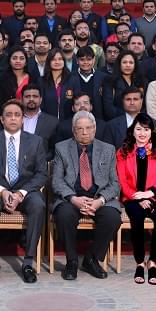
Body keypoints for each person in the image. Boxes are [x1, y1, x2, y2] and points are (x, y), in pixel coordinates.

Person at [0, 99, 49, 284]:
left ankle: (28, 263)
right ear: (2, 119)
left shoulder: (35, 141)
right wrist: (2, 192)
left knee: (38, 204)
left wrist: (20, 194)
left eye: (17, 115)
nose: (13, 119)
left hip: (25, 191)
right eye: (9, 115)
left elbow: (41, 174)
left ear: (23, 119)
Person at [51, 111, 122, 280]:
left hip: (98, 198)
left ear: (95, 129)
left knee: (112, 218)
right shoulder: (62, 148)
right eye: (80, 129)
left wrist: (100, 201)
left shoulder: (108, 149)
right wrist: (73, 199)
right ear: (74, 131)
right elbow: (57, 181)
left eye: (89, 128)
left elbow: (115, 183)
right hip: (72, 197)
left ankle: (92, 258)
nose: (85, 132)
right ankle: (72, 261)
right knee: (64, 215)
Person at [114, 113, 156, 284]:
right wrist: (138, 197)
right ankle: (139, 262)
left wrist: (149, 194)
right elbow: (122, 181)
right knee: (137, 215)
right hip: (132, 197)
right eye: (138, 129)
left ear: (151, 131)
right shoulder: (123, 152)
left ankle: (153, 262)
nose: (142, 133)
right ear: (132, 131)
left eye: (146, 129)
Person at [63, 46, 107, 121]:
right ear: (77, 60)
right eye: (82, 60)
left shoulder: (103, 77)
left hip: (99, 120)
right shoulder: (69, 77)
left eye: (89, 59)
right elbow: (67, 101)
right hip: (76, 120)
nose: (86, 62)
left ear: (93, 60)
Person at [100, 51, 146, 120]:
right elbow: (109, 108)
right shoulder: (110, 81)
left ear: (135, 65)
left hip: (138, 121)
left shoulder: (141, 81)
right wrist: (129, 116)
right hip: (116, 121)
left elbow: (144, 105)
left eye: (131, 62)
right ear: (119, 64)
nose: (128, 65)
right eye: (124, 62)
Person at [0, 47, 32, 112]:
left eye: (21, 58)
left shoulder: (32, 78)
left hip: (28, 113)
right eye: (14, 58)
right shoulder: (2, 79)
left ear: (26, 62)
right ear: (9, 61)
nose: (18, 61)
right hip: (8, 114)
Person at [21, 84, 58, 149]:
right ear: (22, 99)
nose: (31, 99)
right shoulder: (14, 119)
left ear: (40, 100)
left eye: (35, 96)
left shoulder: (52, 122)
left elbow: (54, 149)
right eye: (27, 96)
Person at [39, 50, 70, 119]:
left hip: (68, 120)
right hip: (47, 120)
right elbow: (40, 104)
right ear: (48, 62)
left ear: (64, 61)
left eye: (60, 59)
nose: (57, 62)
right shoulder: (42, 81)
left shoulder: (72, 80)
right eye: (53, 59)